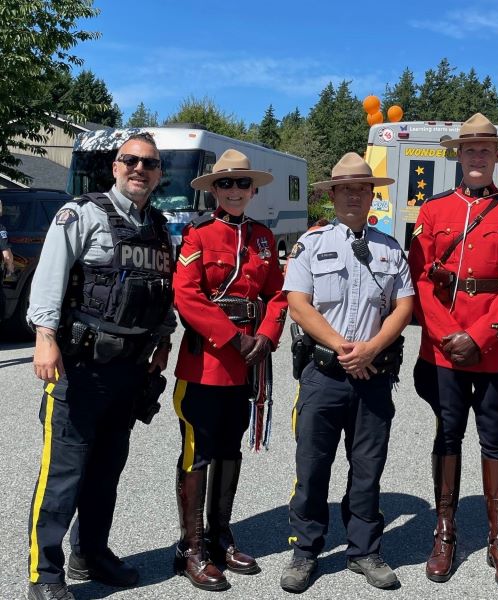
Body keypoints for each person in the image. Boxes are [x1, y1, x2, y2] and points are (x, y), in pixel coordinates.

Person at [26, 132, 175, 600]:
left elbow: (161, 290)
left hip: (130, 371)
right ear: (115, 166)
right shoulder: (82, 214)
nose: (139, 169)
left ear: (158, 174)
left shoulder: (159, 227)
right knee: (63, 474)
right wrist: (45, 338)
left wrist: (163, 341)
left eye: (149, 164)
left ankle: (90, 554)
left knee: (106, 471)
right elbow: (49, 277)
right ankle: (44, 574)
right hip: (80, 368)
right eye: (130, 160)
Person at [408, 113, 498, 591]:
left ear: (497, 155)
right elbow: (419, 277)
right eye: (470, 149)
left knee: (494, 439)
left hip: (496, 349)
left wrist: (481, 336)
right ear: (458, 155)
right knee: (447, 435)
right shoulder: (433, 210)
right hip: (444, 348)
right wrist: (448, 334)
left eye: (486, 149)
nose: (478, 156)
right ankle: (444, 532)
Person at [280, 152, 414, 593]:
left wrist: (372, 347)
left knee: (368, 467)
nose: (354, 196)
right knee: (312, 465)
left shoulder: (389, 248)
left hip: (373, 373)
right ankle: (305, 551)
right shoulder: (310, 244)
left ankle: (364, 550)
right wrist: (342, 347)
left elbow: (405, 306)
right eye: (345, 189)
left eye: (361, 189)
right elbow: (298, 304)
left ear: (372, 195)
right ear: (333, 195)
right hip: (324, 374)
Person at [171, 149, 288, 591]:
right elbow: (187, 295)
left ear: (253, 190)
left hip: (248, 363)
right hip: (207, 361)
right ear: (214, 190)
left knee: (229, 450)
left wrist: (268, 336)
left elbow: (278, 293)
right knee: (198, 452)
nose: (234, 190)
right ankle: (192, 548)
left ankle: (220, 536)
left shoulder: (262, 237)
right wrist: (233, 338)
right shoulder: (198, 234)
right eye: (225, 183)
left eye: (242, 183)